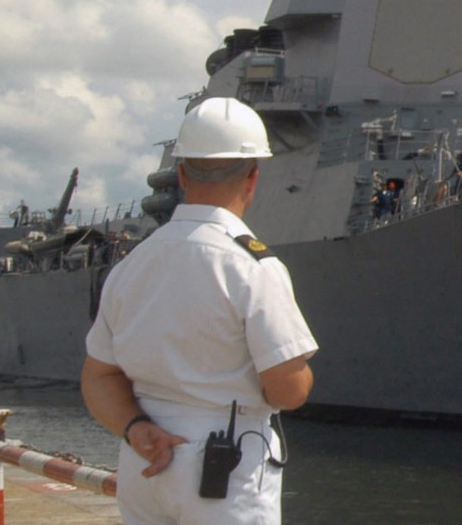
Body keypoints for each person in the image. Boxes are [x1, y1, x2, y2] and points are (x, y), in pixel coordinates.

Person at [81, 97, 316, 525]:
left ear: (183, 174)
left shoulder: (131, 265)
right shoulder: (253, 266)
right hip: (224, 463)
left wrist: (135, 427)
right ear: (253, 177)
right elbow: (289, 390)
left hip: (144, 458)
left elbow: (97, 376)